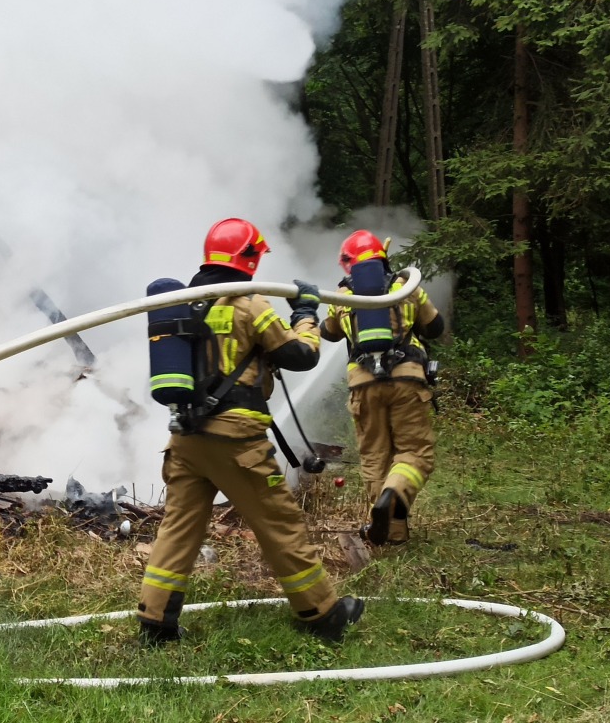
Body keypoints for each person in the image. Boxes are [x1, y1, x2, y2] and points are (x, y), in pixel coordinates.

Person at [138, 217, 366, 646]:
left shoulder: (189, 302)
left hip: (186, 440)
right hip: (235, 442)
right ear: (249, 258)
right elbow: (301, 356)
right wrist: (305, 315)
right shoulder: (249, 304)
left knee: (179, 528)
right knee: (280, 524)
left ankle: (155, 622)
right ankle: (323, 614)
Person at [319, 230, 445, 547]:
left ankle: (392, 534)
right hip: (407, 380)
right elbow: (435, 326)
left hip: (363, 386)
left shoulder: (342, 297)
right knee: (414, 454)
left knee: (375, 458)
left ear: (348, 264)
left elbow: (329, 333)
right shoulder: (407, 287)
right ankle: (395, 493)